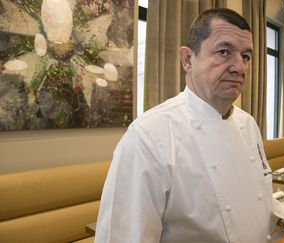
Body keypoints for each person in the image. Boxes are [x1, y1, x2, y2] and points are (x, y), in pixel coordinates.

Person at [94, 8, 274, 243]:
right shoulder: (149, 136)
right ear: (188, 60)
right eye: (223, 52)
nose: (240, 67)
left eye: (246, 56)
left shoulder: (248, 125)